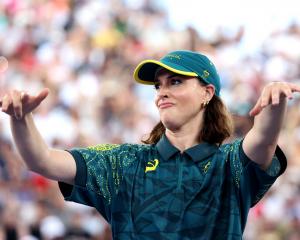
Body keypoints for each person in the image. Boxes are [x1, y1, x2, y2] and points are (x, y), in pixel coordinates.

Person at [1, 50, 300, 239]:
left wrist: (275, 103)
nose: (161, 93)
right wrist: (20, 118)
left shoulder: (229, 163)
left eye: (175, 82)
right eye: (158, 85)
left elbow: (262, 141)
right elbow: (42, 160)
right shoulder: (125, 163)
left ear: (207, 93)